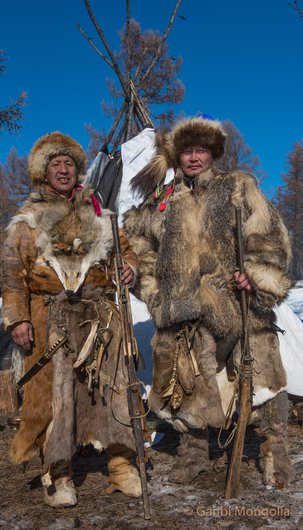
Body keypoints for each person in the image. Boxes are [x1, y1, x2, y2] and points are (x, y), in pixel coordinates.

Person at [123, 116, 295, 488]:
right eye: (187, 151)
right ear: (177, 157)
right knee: (186, 381)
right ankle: (194, 449)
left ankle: (273, 450)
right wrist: (151, 290)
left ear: (213, 153)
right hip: (185, 309)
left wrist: (255, 273)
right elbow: (139, 249)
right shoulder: (163, 204)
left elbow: (268, 238)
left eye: (201, 150)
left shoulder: (238, 187)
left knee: (262, 378)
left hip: (239, 302)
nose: (194, 157)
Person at [2, 132, 143, 507]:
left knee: (110, 387)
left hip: (99, 314)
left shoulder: (101, 214)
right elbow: (12, 275)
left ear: (78, 171)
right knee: (54, 397)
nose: (63, 170)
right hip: (49, 315)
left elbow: (126, 251)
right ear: (43, 173)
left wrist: (128, 267)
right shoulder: (26, 221)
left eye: (69, 164)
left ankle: (121, 465)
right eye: (55, 165)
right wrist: (17, 319)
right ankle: (59, 473)